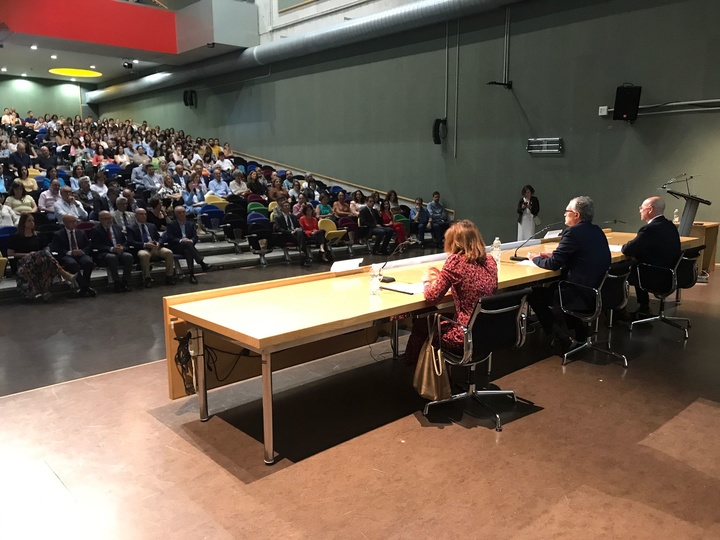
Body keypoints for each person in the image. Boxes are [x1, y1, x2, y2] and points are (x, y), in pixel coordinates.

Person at [404, 220, 498, 364]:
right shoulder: (490, 261)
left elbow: (432, 297)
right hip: (488, 330)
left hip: (463, 335)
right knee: (437, 318)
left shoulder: (455, 262)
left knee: (420, 325)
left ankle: (412, 374)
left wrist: (427, 281)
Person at [526, 195, 610, 353]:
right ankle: (581, 333)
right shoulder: (596, 231)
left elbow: (553, 265)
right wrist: (555, 254)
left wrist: (535, 258)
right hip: (593, 291)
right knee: (553, 287)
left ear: (576, 215)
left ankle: (561, 338)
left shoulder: (573, 232)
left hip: (577, 293)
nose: (564, 214)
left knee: (533, 295)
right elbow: (582, 255)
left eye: (567, 211)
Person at [619, 196, 681, 318]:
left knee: (619, 269)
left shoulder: (650, 229)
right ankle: (643, 307)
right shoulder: (669, 226)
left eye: (641, 208)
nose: (639, 210)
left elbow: (628, 249)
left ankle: (616, 310)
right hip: (669, 273)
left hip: (654, 275)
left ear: (650, 209)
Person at [7, 213, 78, 301]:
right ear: (23, 223)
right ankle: (64, 273)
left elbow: (46, 249)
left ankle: (43, 289)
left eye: (33, 221)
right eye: (29, 221)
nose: (32, 223)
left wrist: (37, 255)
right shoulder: (15, 237)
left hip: (40, 261)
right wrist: (28, 254)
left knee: (43, 254)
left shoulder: (39, 235)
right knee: (39, 255)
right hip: (23, 263)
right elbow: (10, 254)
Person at [50, 214, 96, 297]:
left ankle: (84, 287)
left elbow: (88, 245)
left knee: (88, 262)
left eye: (75, 221)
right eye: (71, 222)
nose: (74, 223)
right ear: (65, 223)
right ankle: (85, 287)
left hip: (80, 254)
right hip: (67, 255)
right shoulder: (58, 234)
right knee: (72, 264)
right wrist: (70, 252)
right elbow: (56, 248)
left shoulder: (81, 233)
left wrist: (82, 251)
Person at [127, 208, 176, 288]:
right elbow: (131, 242)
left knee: (168, 252)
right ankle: (147, 278)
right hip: (143, 248)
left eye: (145, 214)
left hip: (156, 247)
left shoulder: (151, 226)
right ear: (136, 216)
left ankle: (169, 276)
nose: (144, 216)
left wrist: (159, 243)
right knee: (144, 255)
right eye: (141, 214)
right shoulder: (131, 227)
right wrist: (145, 244)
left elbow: (159, 238)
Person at [165, 205, 213, 284]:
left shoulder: (190, 224)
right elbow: (170, 238)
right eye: (179, 213)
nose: (182, 214)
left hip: (188, 246)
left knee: (188, 251)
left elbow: (195, 237)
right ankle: (201, 263)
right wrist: (181, 240)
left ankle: (192, 275)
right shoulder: (171, 224)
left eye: (183, 212)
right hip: (176, 246)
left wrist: (191, 241)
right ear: (176, 214)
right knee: (187, 245)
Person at [90, 211, 134, 293]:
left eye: (110, 218)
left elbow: (125, 242)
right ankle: (116, 282)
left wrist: (122, 247)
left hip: (119, 250)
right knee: (112, 257)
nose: (109, 220)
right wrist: (111, 249)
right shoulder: (96, 230)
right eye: (106, 219)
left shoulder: (117, 227)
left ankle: (125, 282)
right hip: (105, 253)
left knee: (128, 256)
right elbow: (96, 245)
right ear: (100, 220)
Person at [274, 200, 312, 266]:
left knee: (300, 232)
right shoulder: (278, 217)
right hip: (286, 235)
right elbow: (278, 229)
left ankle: (303, 254)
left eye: (288, 205)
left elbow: (300, 226)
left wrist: (298, 229)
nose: (288, 207)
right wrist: (290, 231)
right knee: (301, 236)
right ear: (282, 208)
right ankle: (304, 254)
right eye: (285, 206)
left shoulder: (293, 216)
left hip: (296, 234)